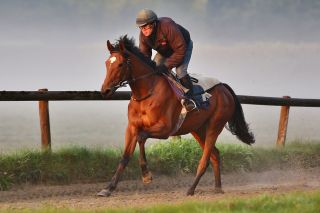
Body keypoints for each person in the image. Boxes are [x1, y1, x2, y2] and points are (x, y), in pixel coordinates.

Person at [136, 9, 196, 111]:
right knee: (153, 69)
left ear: (154, 23)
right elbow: (144, 56)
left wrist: (166, 66)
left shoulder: (168, 26)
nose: (144, 30)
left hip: (183, 47)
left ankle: (191, 99)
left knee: (180, 71)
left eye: (147, 26)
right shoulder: (143, 36)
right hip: (165, 50)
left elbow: (180, 51)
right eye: (141, 27)